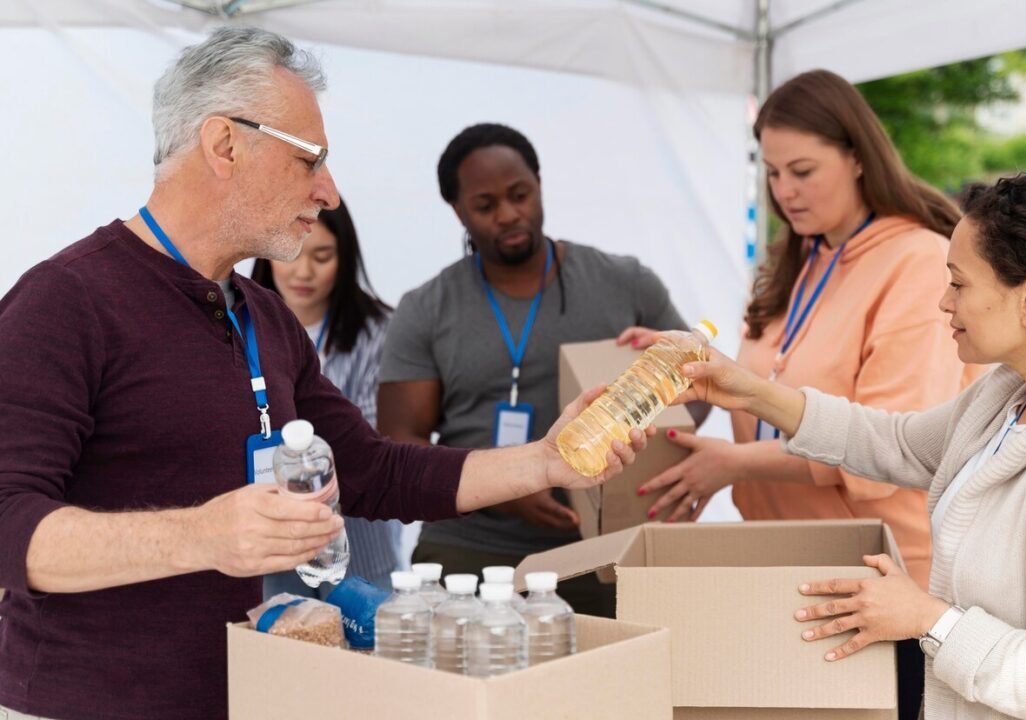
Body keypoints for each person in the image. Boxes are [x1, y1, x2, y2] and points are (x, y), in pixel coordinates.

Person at [0, 28, 645, 720]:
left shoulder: (263, 318)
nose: (329, 192)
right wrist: (204, 536)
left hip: (247, 695)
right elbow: (11, 526)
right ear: (225, 145)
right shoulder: (65, 302)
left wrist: (545, 462)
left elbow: (372, 470)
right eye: (311, 160)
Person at [675, 172, 1026, 719]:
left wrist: (929, 620)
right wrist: (749, 393)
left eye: (959, 284)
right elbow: (898, 443)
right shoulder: (1009, 396)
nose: (943, 302)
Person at [625, 69, 976, 717]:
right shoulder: (804, 260)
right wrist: (695, 366)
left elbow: (890, 437)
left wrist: (731, 465)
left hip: (882, 579)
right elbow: (774, 390)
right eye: (773, 172)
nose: (785, 190)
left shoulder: (918, 262)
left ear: (859, 158)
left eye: (804, 171)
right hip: (794, 569)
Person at [377, 123, 699, 617]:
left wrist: (645, 416)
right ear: (458, 210)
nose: (509, 214)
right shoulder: (426, 308)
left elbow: (699, 383)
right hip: (468, 548)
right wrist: (506, 489)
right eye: (485, 206)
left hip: (602, 546)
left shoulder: (624, 283)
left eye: (520, 194)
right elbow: (399, 444)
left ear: (540, 184)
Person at [251, 200, 403, 597]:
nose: (304, 272)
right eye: (294, 254)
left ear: (345, 257)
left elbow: (372, 448)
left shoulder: (381, 333)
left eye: (322, 256)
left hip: (359, 549)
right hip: (272, 548)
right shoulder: (240, 329)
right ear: (269, 254)